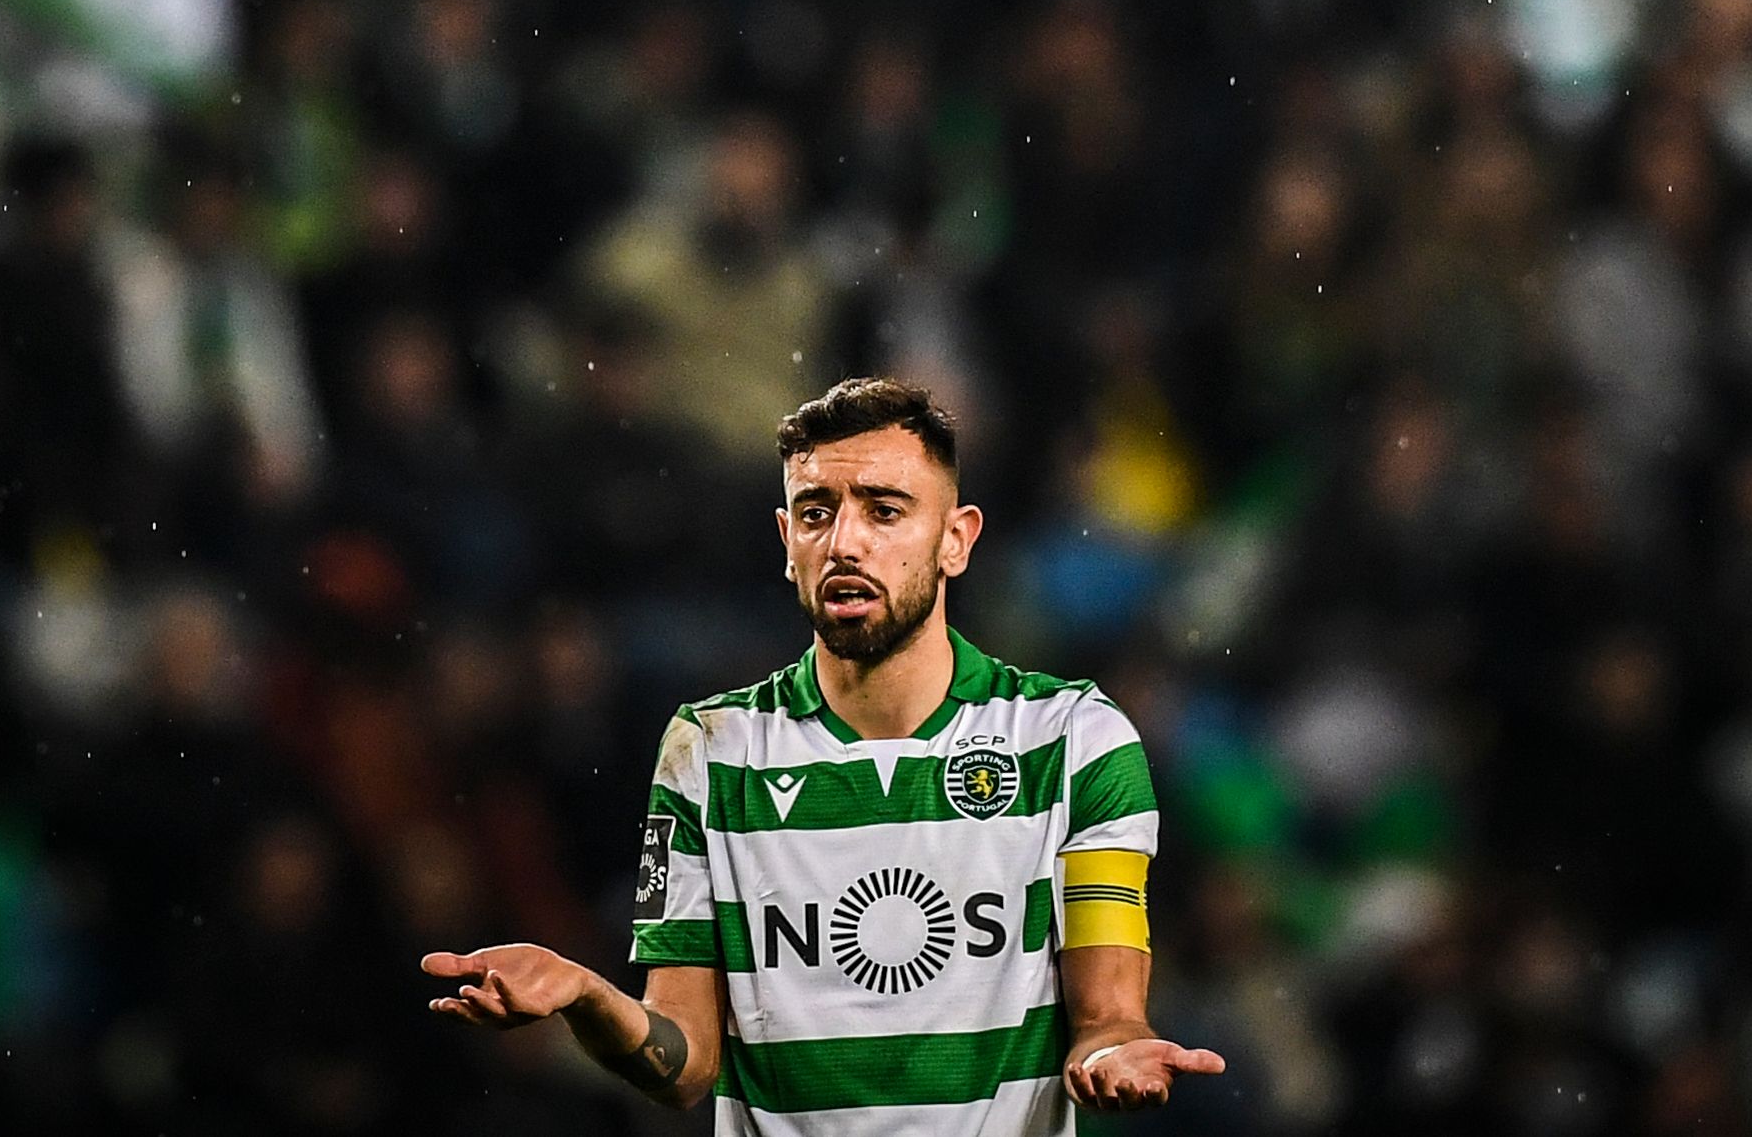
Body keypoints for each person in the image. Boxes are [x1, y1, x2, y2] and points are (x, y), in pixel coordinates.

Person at [420, 375, 1224, 1127]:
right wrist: (588, 994)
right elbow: (686, 1062)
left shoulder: (1074, 741)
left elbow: (1107, 1016)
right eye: (816, 511)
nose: (844, 541)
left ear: (956, 539)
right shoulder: (711, 751)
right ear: (785, 539)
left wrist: (1119, 1052)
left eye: (883, 510)